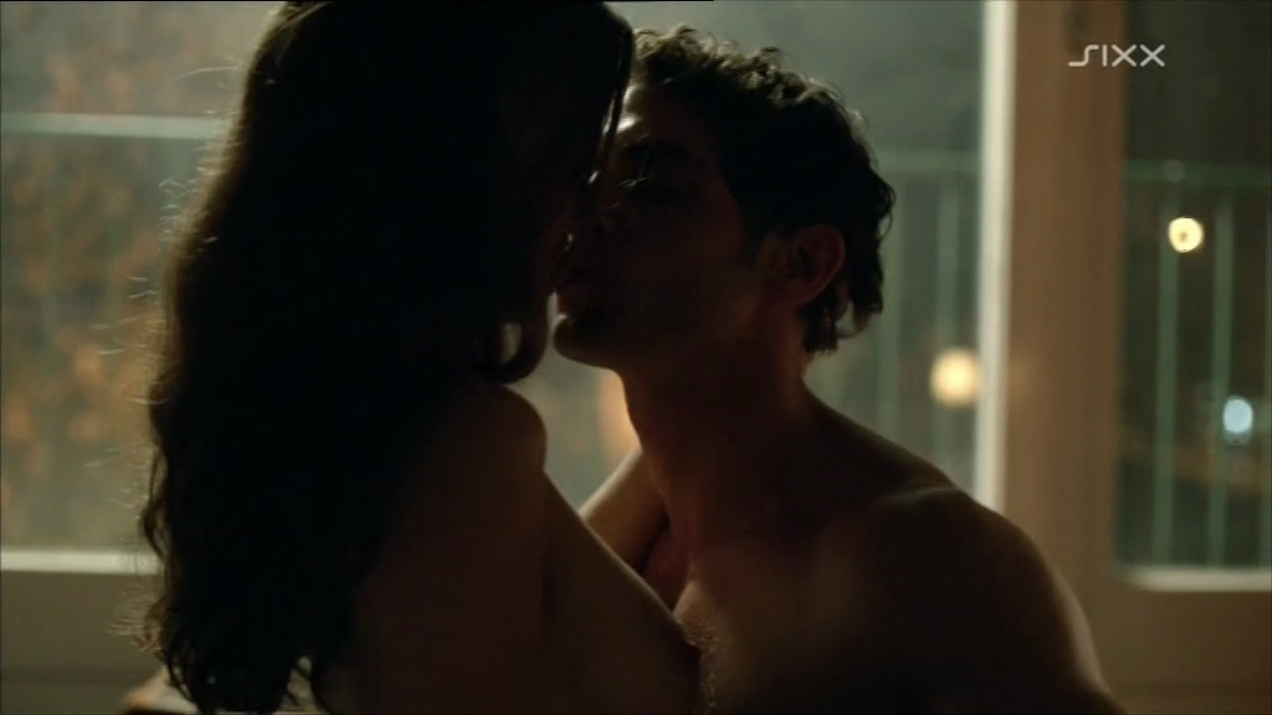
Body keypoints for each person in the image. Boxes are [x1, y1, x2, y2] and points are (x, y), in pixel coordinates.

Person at [135, 3, 699, 714]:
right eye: (570, 166)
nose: (589, 217)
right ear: (467, 177)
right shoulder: (465, 444)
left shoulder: (353, 418)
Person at [560, 27, 1127, 714]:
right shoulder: (624, 537)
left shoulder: (936, 565)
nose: (580, 220)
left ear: (800, 264)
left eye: (646, 187)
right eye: (588, 182)